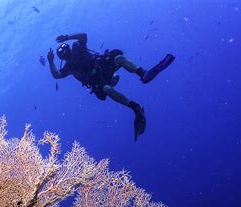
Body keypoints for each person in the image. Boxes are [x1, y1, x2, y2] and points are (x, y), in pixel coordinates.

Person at [47, 33, 175, 141]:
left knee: (118, 57)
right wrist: (51, 62)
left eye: (65, 48)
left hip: (102, 65)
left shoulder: (77, 47)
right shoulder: (69, 67)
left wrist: (67, 37)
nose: (65, 52)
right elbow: (57, 75)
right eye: (63, 53)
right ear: (62, 58)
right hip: (97, 80)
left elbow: (83, 36)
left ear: (69, 47)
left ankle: (143, 74)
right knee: (107, 89)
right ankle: (135, 107)